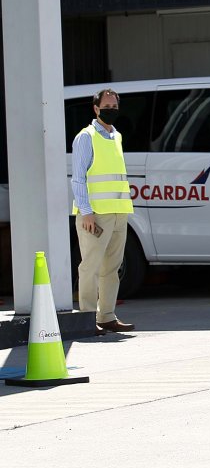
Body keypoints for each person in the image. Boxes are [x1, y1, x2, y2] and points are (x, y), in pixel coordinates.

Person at [71, 89, 135, 335]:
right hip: (95, 215)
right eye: (106, 107)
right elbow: (78, 179)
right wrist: (86, 212)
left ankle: (106, 316)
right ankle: (87, 318)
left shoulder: (116, 136)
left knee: (112, 268)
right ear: (96, 109)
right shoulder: (85, 137)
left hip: (118, 213)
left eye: (114, 106)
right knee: (91, 266)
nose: (111, 110)